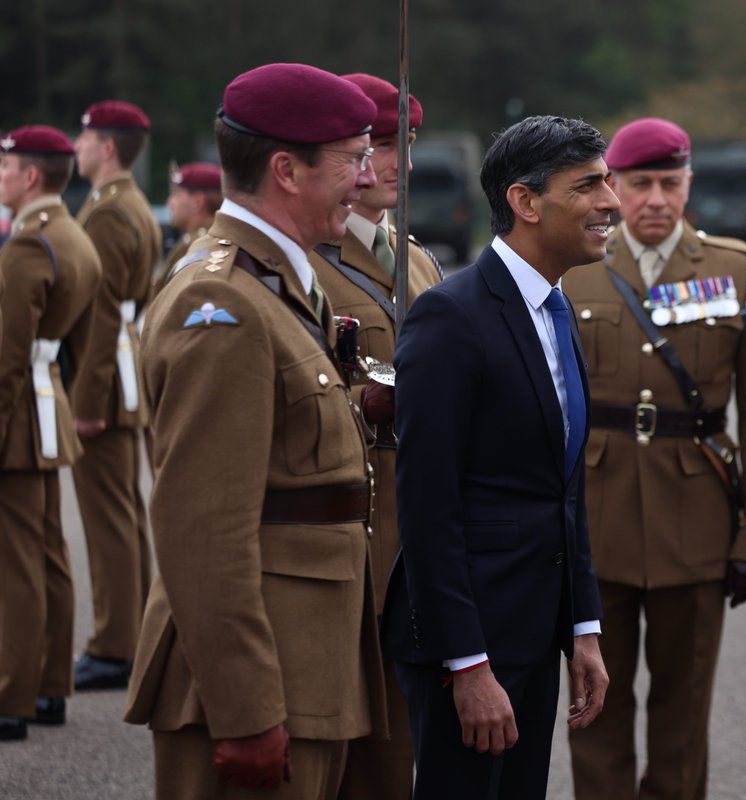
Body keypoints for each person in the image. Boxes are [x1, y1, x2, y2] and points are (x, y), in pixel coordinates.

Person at [123, 63, 388, 799]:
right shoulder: (222, 303)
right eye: (353, 159)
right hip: (257, 685)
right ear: (286, 170)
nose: (367, 179)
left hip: (305, 666)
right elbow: (203, 527)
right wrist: (244, 713)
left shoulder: (278, 284)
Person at [381, 115, 611, 799]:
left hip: (535, 633)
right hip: (471, 642)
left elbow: (561, 492)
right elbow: (427, 506)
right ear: (526, 202)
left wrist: (585, 627)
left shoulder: (557, 310)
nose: (611, 203)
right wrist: (468, 664)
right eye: (589, 185)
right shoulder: (452, 317)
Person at [560, 117, 746, 799]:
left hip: (697, 518)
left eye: (669, 182)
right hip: (594, 523)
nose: (655, 198)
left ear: (689, 184)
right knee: (594, 705)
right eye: (639, 184)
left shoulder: (735, 267)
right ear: (612, 189)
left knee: (683, 708)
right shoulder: (572, 270)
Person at [308, 72, 441, 800]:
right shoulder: (309, 266)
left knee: (398, 745)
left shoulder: (410, 253)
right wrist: (374, 404)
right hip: (351, 525)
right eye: (385, 146)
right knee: (346, 746)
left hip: (412, 525)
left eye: (406, 144)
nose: (402, 164)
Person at [0, 126, 103, 741]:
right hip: (47, 406)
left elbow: (6, 358)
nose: (1, 175)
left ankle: (11, 695)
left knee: (15, 562)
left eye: (5, 165)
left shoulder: (28, 247)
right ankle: (47, 689)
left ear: (31, 176)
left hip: (15, 418)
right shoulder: (72, 235)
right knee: (46, 554)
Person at [70, 99, 162, 691]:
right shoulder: (130, 205)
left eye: (82, 140)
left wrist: (84, 403)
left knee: (108, 517)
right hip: (123, 372)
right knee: (122, 514)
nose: (75, 149)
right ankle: (123, 636)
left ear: (106, 147)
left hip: (102, 380)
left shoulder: (105, 213)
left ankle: (112, 644)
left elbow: (100, 317)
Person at [153, 161, 223, 298]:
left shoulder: (199, 246)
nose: (169, 203)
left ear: (198, 202)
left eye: (176, 195)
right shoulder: (191, 241)